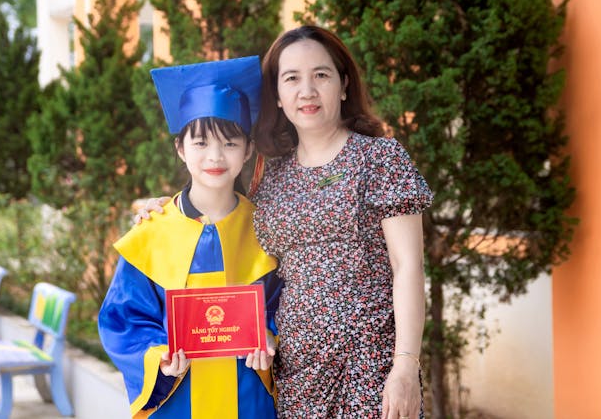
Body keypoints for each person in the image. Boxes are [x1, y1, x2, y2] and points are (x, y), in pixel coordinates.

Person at [138, 25, 433, 419]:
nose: (306, 91)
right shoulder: (271, 177)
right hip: (296, 373)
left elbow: (408, 266)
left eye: (321, 76)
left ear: (344, 85)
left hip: (370, 365)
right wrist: (165, 209)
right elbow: (224, 217)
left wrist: (404, 365)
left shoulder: (380, 158)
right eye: (291, 78)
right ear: (276, 94)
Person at [98, 56, 282, 419]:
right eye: (200, 143)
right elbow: (123, 322)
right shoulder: (152, 232)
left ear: (247, 150)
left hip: (249, 401)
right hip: (176, 403)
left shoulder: (267, 229)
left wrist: (271, 338)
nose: (215, 156)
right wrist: (158, 357)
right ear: (180, 149)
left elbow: (287, 307)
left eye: (229, 143)